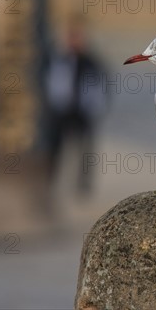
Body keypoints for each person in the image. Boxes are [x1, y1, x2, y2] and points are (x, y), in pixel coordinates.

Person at [45, 15, 108, 195]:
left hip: (83, 111)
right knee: (55, 146)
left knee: (85, 149)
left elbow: (102, 85)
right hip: (61, 110)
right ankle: (51, 179)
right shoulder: (58, 58)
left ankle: (83, 184)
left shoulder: (92, 62)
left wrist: (96, 107)